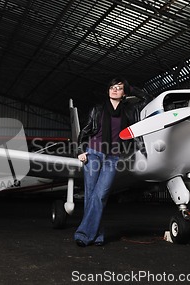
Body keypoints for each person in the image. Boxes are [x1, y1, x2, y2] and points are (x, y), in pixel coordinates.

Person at [74, 77, 152, 247]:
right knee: (91, 195)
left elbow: (147, 98)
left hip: (112, 157)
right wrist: (80, 150)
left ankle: (85, 234)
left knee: (100, 195)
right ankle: (96, 236)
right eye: (112, 87)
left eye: (119, 88)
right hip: (93, 154)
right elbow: (85, 131)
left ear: (124, 92)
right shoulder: (98, 109)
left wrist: (131, 87)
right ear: (108, 90)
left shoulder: (130, 111)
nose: (115, 90)